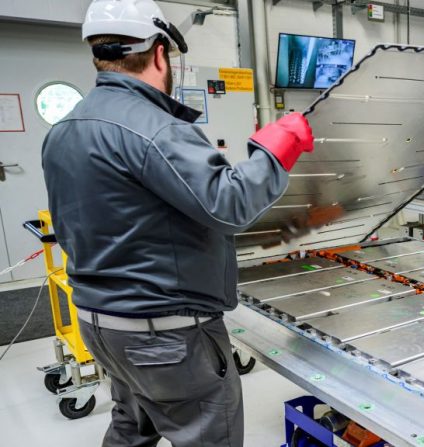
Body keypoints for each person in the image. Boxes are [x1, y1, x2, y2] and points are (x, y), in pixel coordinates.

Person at [41, 1, 313, 445]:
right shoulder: (155, 127)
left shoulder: (66, 127)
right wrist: (274, 152)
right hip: (166, 339)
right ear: (161, 52)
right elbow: (230, 204)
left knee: (131, 428)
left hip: (101, 323)